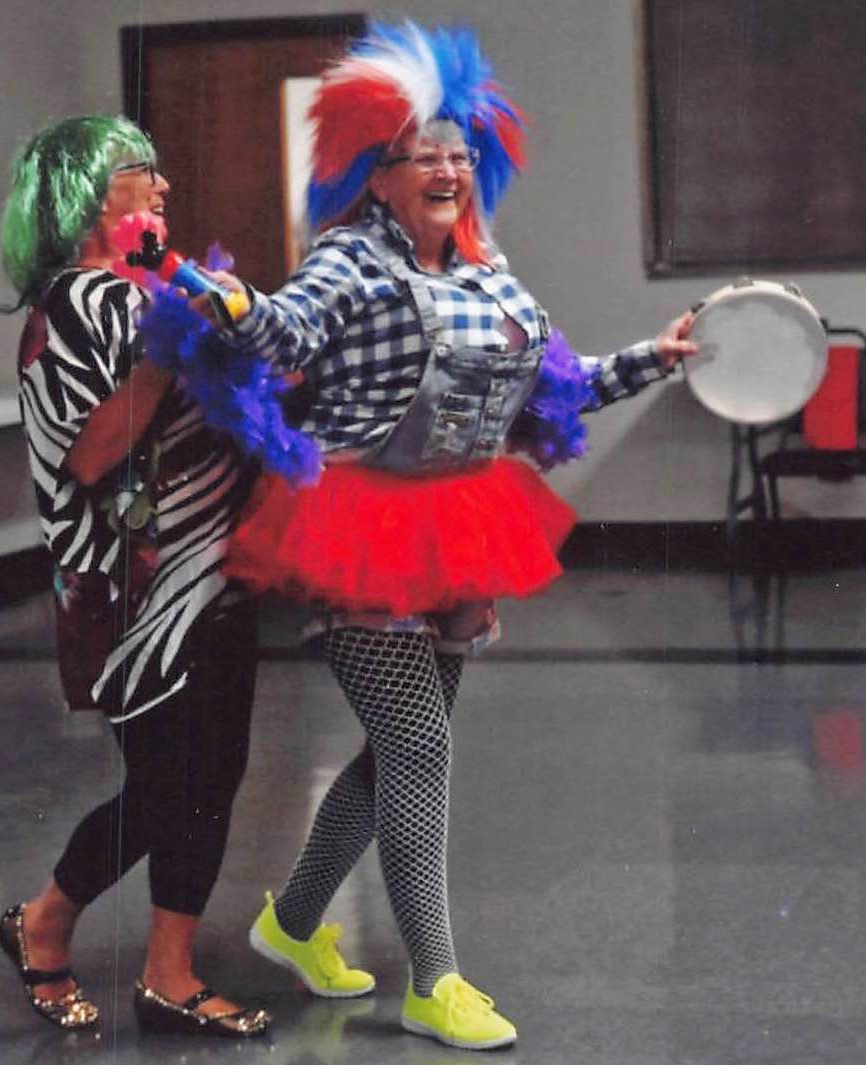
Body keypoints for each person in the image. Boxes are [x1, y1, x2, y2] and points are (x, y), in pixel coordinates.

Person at [141, 21, 695, 1052]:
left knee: (399, 751)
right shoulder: (351, 258)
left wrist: (656, 358)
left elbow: (552, 390)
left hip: (462, 520)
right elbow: (284, 330)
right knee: (422, 745)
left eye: (456, 150)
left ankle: (293, 924)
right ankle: (435, 981)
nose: (445, 166)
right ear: (376, 175)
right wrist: (207, 289)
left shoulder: (489, 268)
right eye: (419, 152)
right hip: (356, 527)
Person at [0, 115, 268, 1039]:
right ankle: (44, 922)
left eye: (157, 169)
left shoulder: (157, 285)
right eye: (137, 172)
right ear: (81, 196)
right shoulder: (74, 303)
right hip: (134, 592)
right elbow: (87, 458)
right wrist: (168, 351)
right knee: (164, 783)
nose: (160, 185)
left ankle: (168, 968)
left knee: (214, 775)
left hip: (216, 569)